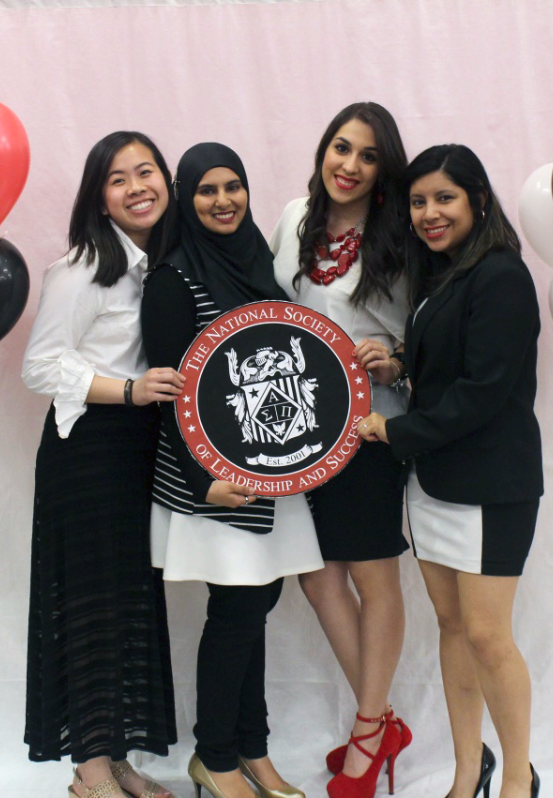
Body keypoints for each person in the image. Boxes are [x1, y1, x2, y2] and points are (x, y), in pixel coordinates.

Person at [358, 144, 542, 798]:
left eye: (444, 198)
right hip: (434, 481)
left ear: (478, 201)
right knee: (452, 627)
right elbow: (449, 366)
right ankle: (469, 769)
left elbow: (483, 390)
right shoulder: (442, 275)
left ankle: (518, 780)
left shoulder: (501, 275)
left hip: (491, 486)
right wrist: (400, 365)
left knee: (490, 636)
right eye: (417, 201)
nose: (429, 213)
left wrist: (393, 429)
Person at [141, 142, 324, 798]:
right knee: (238, 609)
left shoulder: (257, 266)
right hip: (210, 481)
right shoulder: (172, 278)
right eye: (206, 190)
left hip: (265, 477)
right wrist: (200, 483)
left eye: (232, 187)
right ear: (185, 200)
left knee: (258, 604)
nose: (223, 201)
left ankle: (253, 749)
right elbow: (166, 394)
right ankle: (215, 759)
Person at [22, 131, 184, 798]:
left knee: (123, 605)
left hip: (134, 451)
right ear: (100, 198)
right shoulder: (84, 267)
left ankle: (113, 756)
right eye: (119, 178)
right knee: (89, 602)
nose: (137, 185)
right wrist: (129, 389)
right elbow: (40, 365)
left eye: (146, 171)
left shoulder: (156, 264)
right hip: (87, 451)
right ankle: (88, 770)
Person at [270, 102, 412, 798]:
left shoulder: (402, 235)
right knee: (317, 575)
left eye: (365, 156)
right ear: (323, 148)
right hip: (299, 433)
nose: (348, 166)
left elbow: (425, 332)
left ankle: (365, 738)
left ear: (382, 170)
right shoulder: (293, 219)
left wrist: (395, 357)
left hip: (370, 430)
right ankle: (381, 722)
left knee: (370, 576)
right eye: (340, 148)